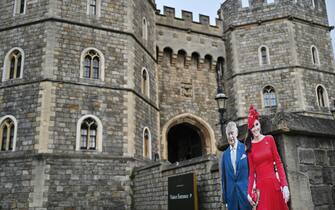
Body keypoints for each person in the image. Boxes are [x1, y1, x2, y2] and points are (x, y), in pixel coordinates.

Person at [245, 105, 290, 210]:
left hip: (275, 186)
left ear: (259, 124)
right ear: (250, 129)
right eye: (252, 127)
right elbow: (252, 172)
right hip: (261, 190)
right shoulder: (249, 147)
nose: (255, 128)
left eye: (256, 125)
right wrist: (249, 192)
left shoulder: (269, 139)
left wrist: (284, 185)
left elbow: (278, 163)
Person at [220, 122, 252, 210]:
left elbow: (251, 171)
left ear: (237, 133)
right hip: (231, 198)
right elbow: (224, 178)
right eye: (228, 134)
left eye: (232, 133)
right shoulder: (225, 155)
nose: (230, 137)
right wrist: (225, 199)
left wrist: (252, 190)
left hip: (246, 194)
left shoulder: (245, 148)